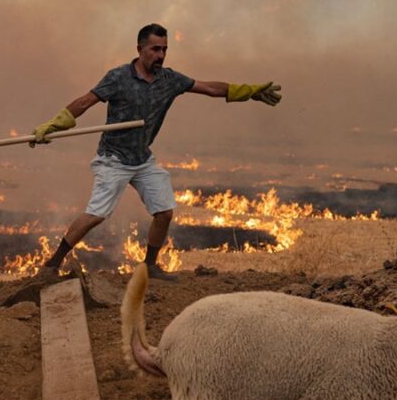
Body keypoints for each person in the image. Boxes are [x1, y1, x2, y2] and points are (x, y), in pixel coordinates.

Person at [31, 23, 281, 281]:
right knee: (96, 215)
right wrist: (54, 124)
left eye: (164, 49)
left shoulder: (169, 80)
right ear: (140, 49)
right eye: (155, 49)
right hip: (113, 159)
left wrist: (249, 92)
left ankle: (149, 265)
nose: (160, 55)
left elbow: (209, 88)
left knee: (164, 212)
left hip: (142, 158)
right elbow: (85, 102)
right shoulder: (118, 77)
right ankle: (53, 263)